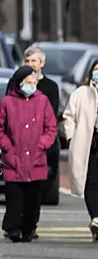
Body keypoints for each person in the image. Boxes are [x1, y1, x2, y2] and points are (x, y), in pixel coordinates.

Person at [63, 59, 98, 241]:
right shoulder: (81, 93)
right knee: (91, 181)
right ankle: (94, 217)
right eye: (96, 69)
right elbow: (68, 116)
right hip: (88, 142)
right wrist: (71, 136)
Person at [0, 66, 57, 242]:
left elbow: (51, 127)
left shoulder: (42, 101)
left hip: (36, 158)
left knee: (33, 199)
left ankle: (29, 228)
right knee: (14, 198)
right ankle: (13, 228)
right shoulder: (7, 102)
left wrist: (41, 145)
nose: (32, 86)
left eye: (34, 83)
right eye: (28, 83)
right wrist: (7, 147)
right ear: (19, 83)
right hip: (14, 158)